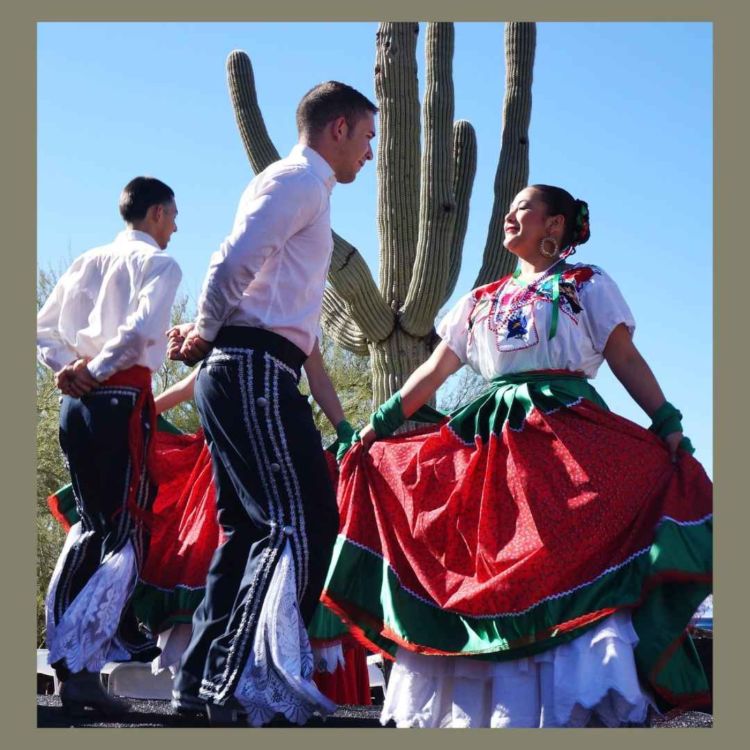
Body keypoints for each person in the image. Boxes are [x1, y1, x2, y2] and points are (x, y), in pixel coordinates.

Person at [322, 185, 713, 728]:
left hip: (568, 435)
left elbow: (623, 356)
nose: (509, 215)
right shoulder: (480, 299)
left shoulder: (585, 284)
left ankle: (568, 704)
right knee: (487, 562)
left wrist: (666, 422)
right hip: (490, 441)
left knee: (560, 557)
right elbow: (435, 371)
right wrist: (380, 423)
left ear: (554, 225)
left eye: (523, 208)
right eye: (508, 209)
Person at [167, 81, 378, 726]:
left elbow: (301, 331)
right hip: (251, 366)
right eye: (368, 138)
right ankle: (233, 683)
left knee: (250, 530)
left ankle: (202, 680)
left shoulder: (303, 190)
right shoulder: (298, 183)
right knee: (300, 523)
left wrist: (341, 424)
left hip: (258, 366)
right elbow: (229, 261)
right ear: (337, 128)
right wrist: (204, 331)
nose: (370, 154)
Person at [37, 176, 182, 717]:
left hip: (77, 405)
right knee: (122, 529)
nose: (175, 226)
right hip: (120, 400)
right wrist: (94, 372)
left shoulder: (87, 261)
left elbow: (43, 329)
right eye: (173, 215)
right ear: (157, 214)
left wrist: (68, 373)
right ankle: (80, 665)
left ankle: (69, 658)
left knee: (91, 524)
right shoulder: (160, 266)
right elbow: (140, 328)